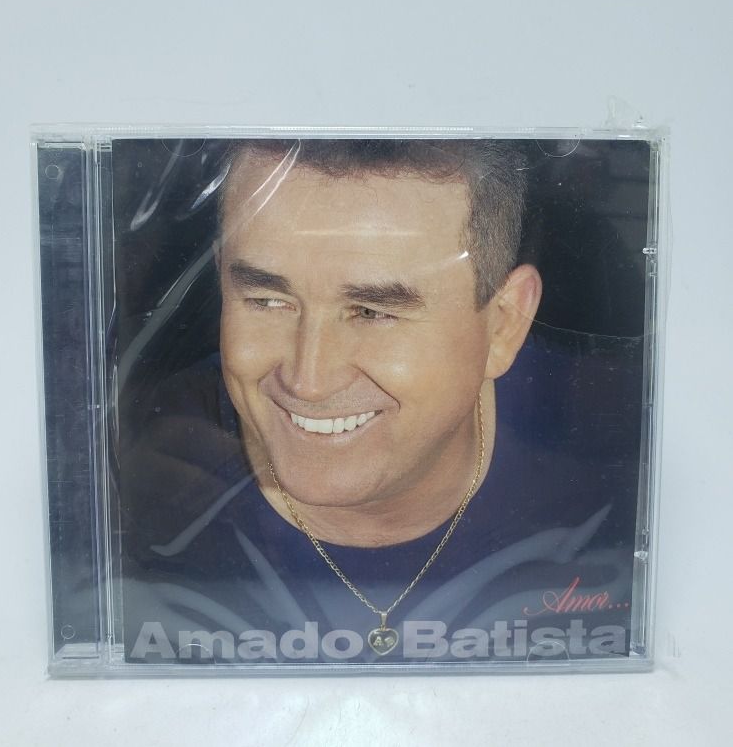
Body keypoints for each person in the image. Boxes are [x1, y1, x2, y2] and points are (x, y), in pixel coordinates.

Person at [123, 140, 638, 665]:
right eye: (267, 300)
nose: (308, 381)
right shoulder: (136, 484)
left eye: (372, 312)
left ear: (503, 325)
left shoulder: (624, 461)